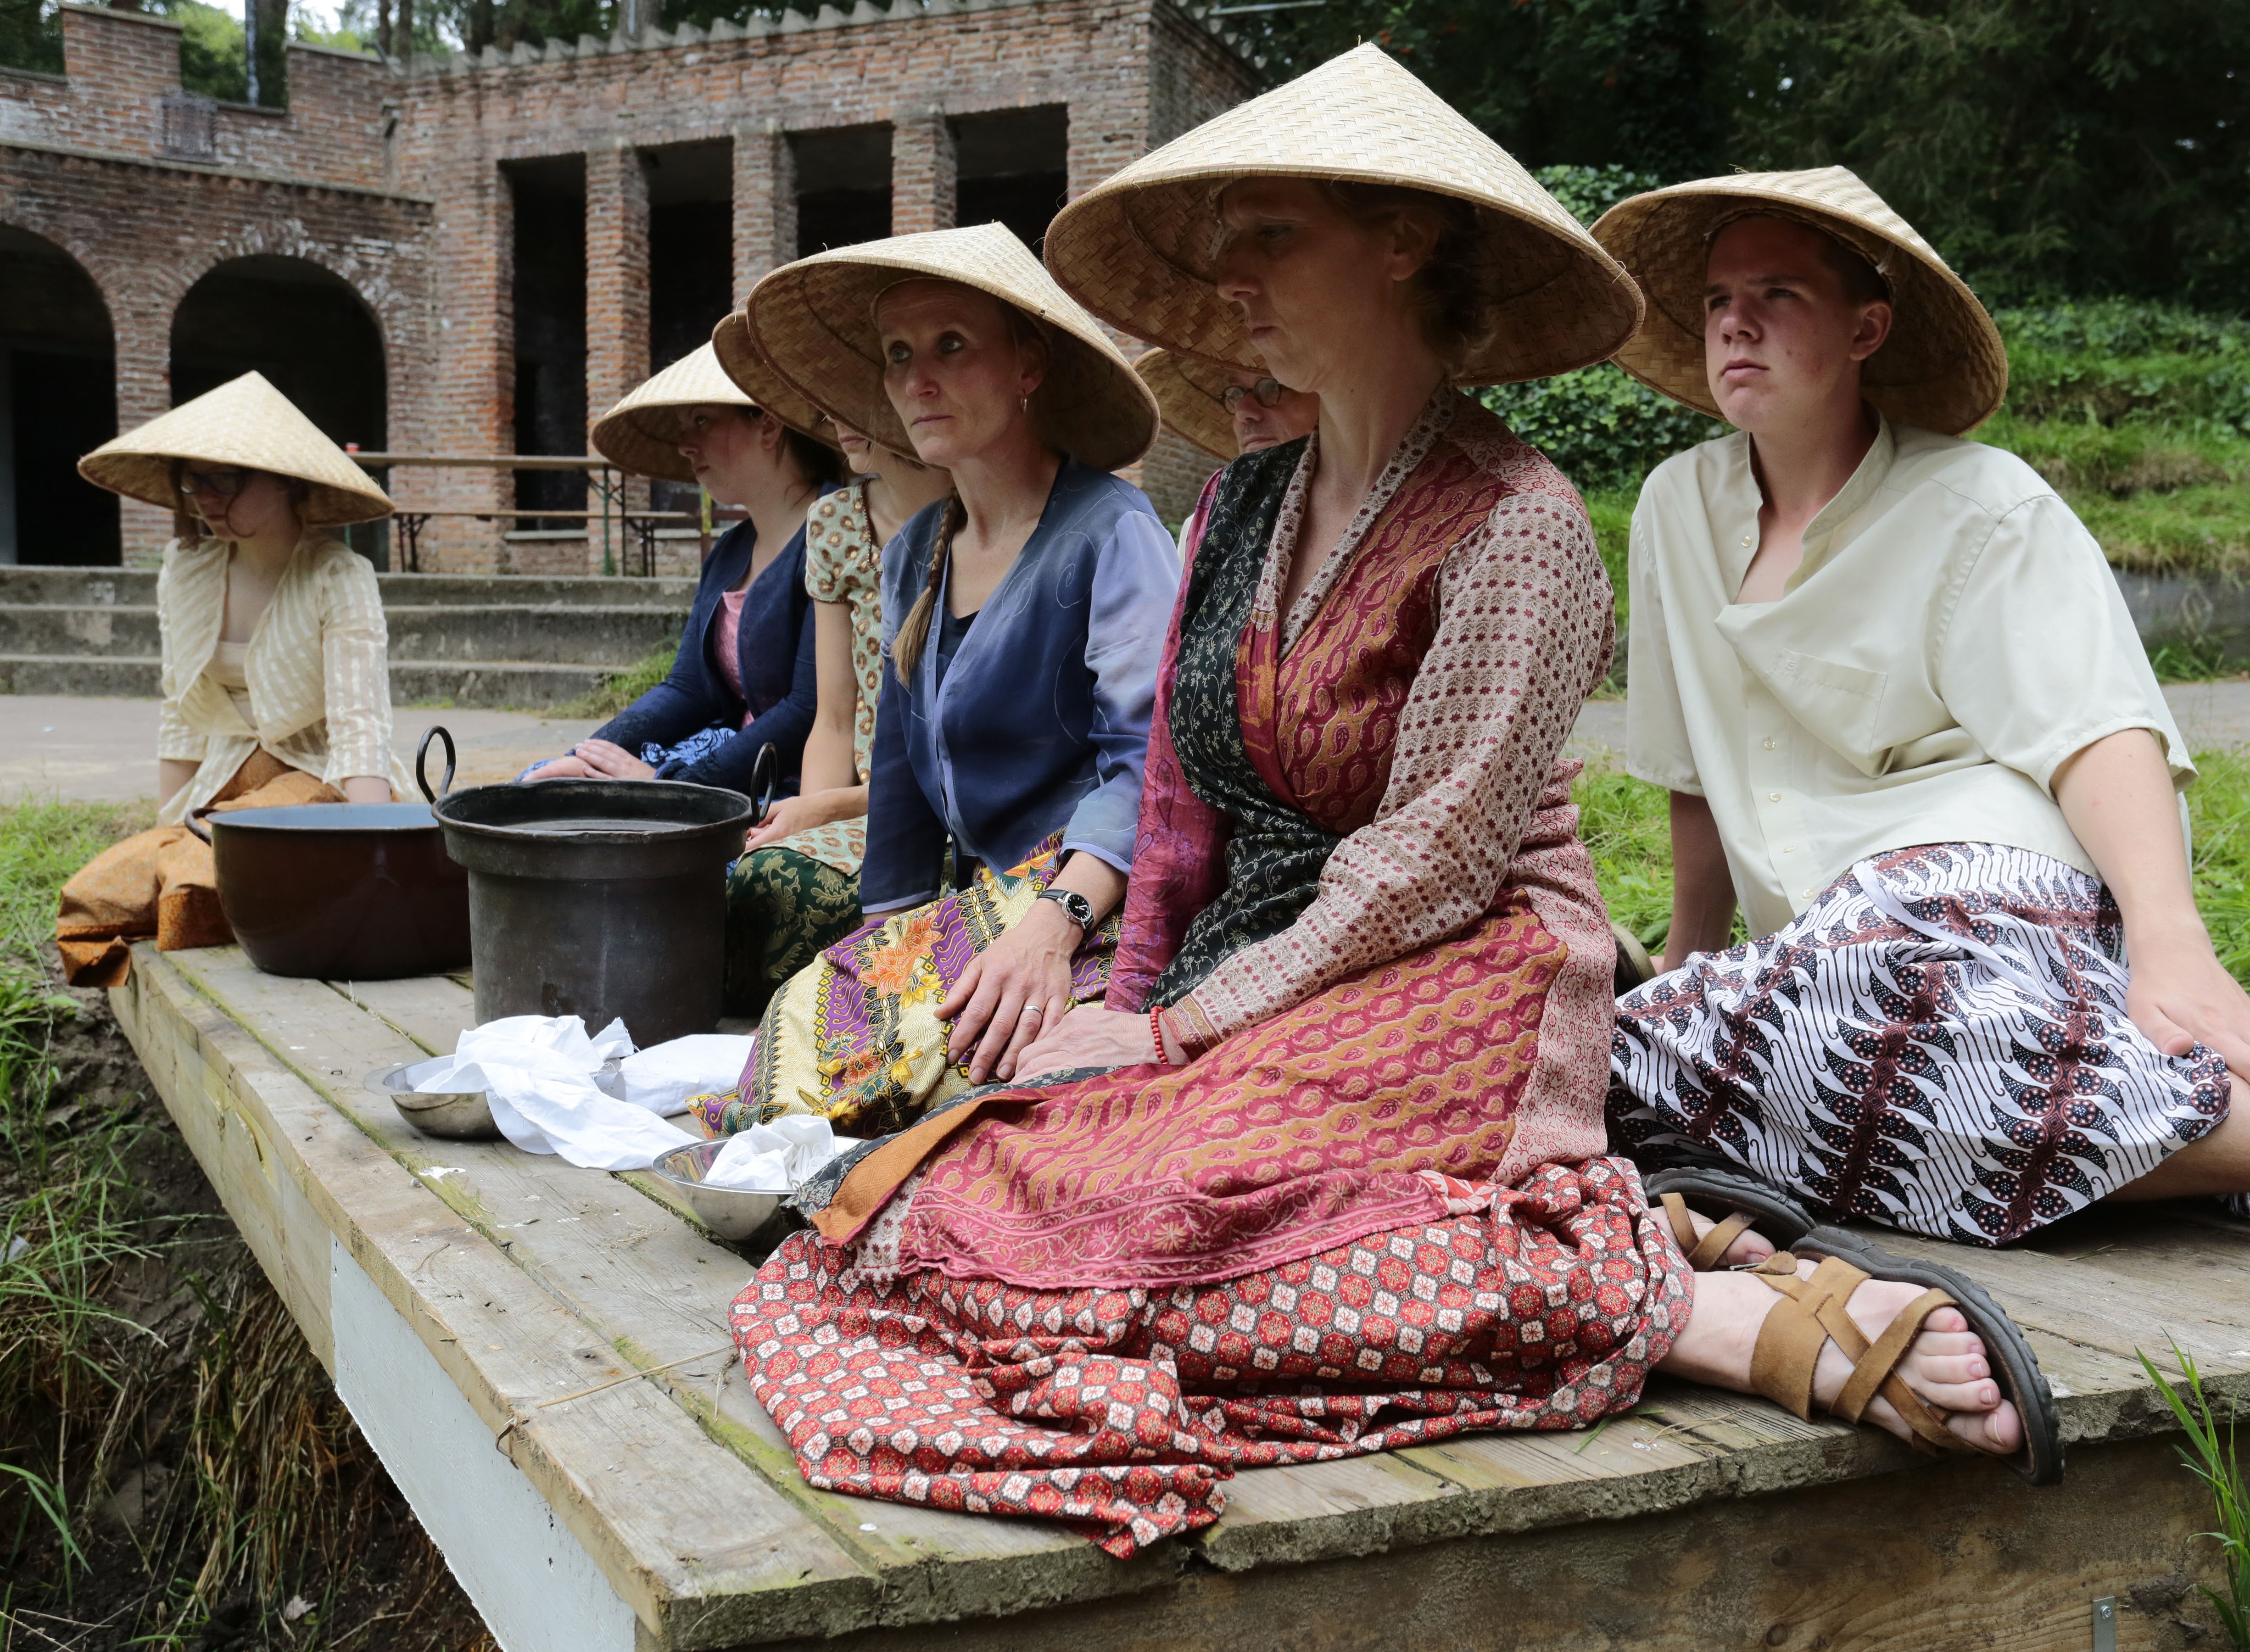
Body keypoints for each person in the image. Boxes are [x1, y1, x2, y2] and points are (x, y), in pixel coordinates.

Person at [720, 50, 2047, 1565]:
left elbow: (1434, 855)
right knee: (938, 1199)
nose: (1232, 281)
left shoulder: (1519, 520)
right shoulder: (1239, 501)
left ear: (1405, 239)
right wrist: (1133, 1006)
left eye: (1269, 236)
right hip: (1254, 959)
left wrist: (1172, 1035)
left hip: (1457, 964)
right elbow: (1171, 808)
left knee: (1136, 1241)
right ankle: (1628, 1249)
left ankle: (1690, 1308)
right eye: (1222, 248)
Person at [1593, 167, 2250, 1261]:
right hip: (1819, 951)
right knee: (1633, 1068)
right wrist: (1691, 962)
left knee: (1876, 987)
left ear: (1867, 327)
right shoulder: (1676, 507)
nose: (1736, 324)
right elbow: (1693, 768)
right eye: (1721, 300)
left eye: (1777, 296)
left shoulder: (1982, 501)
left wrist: (2169, 944)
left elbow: (2096, 727)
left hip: (1980, 884)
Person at [698, 223, 1177, 1137]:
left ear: (1028, 366)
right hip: (986, 906)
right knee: (799, 1038)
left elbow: (1147, 765)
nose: (918, 380)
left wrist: (1054, 922)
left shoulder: (1112, 533)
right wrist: (889, 939)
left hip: (1093, 904)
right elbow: (904, 775)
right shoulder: (917, 551)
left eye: (952, 347)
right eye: (899, 355)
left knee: (952, 1082)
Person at [56, 371, 413, 987]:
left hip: (315, 786)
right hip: (222, 788)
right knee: (97, 894)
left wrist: (370, 855)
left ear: (286, 481)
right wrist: (167, 822)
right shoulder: (186, 569)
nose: (207, 498)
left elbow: (360, 724)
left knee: (196, 881)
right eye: (195, 482)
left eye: (226, 479)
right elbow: (181, 710)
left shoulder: (339, 576)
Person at [710, 309, 955, 1012]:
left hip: (948, 812)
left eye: (855, 391)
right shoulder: (837, 521)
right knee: (747, 869)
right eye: (827, 395)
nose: (831, 413)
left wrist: (833, 807)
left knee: (773, 888)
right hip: (864, 799)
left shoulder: (979, 513)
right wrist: (810, 819)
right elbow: (834, 717)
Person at [523, 342, 833, 793]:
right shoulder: (731, 551)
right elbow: (689, 688)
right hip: (725, 759)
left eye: (703, 421)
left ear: (768, 424)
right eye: (683, 428)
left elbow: (808, 708)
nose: (686, 446)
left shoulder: (835, 533)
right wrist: (583, 758)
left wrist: (677, 787)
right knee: (541, 791)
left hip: (798, 782)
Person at [1133, 346, 1323, 546]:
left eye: (1272, 387)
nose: (1243, 413)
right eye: (1235, 395)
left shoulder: (1351, 521)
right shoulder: (1205, 532)